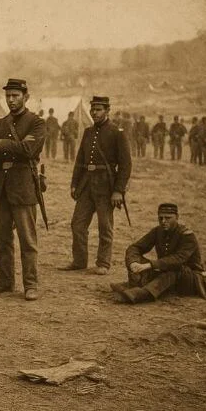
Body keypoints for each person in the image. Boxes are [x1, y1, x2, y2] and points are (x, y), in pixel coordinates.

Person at [0, 78, 45, 301]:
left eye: (15, 95)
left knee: (27, 239)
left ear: (25, 97)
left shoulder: (36, 123)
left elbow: (28, 149)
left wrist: (3, 145)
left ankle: (30, 284)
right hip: (0, 187)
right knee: (1, 238)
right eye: (8, 95)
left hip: (23, 186)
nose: (11, 99)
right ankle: (5, 281)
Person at [60, 96, 132, 276]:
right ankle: (79, 261)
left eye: (98, 109)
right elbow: (80, 161)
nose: (94, 112)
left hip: (106, 186)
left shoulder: (117, 132)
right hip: (86, 185)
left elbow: (126, 165)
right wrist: (74, 183)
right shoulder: (88, 132)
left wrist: (118, 190)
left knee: (104, 225)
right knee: (77, 224)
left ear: (107, 111)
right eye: (92, 109)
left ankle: (103, 263)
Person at [110, 203, 206, 303]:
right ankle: (134, 285)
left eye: (168, 218)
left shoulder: (187, 236)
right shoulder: (158, 231)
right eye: (160, 218)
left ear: (177, 217)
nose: (163, 221)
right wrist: (134, 263)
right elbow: (135, 247)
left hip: (190, 279)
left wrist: (150, 265)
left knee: (174, 269)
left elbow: (178, 259)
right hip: (167, 273)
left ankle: (141, 294)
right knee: (140, 260)